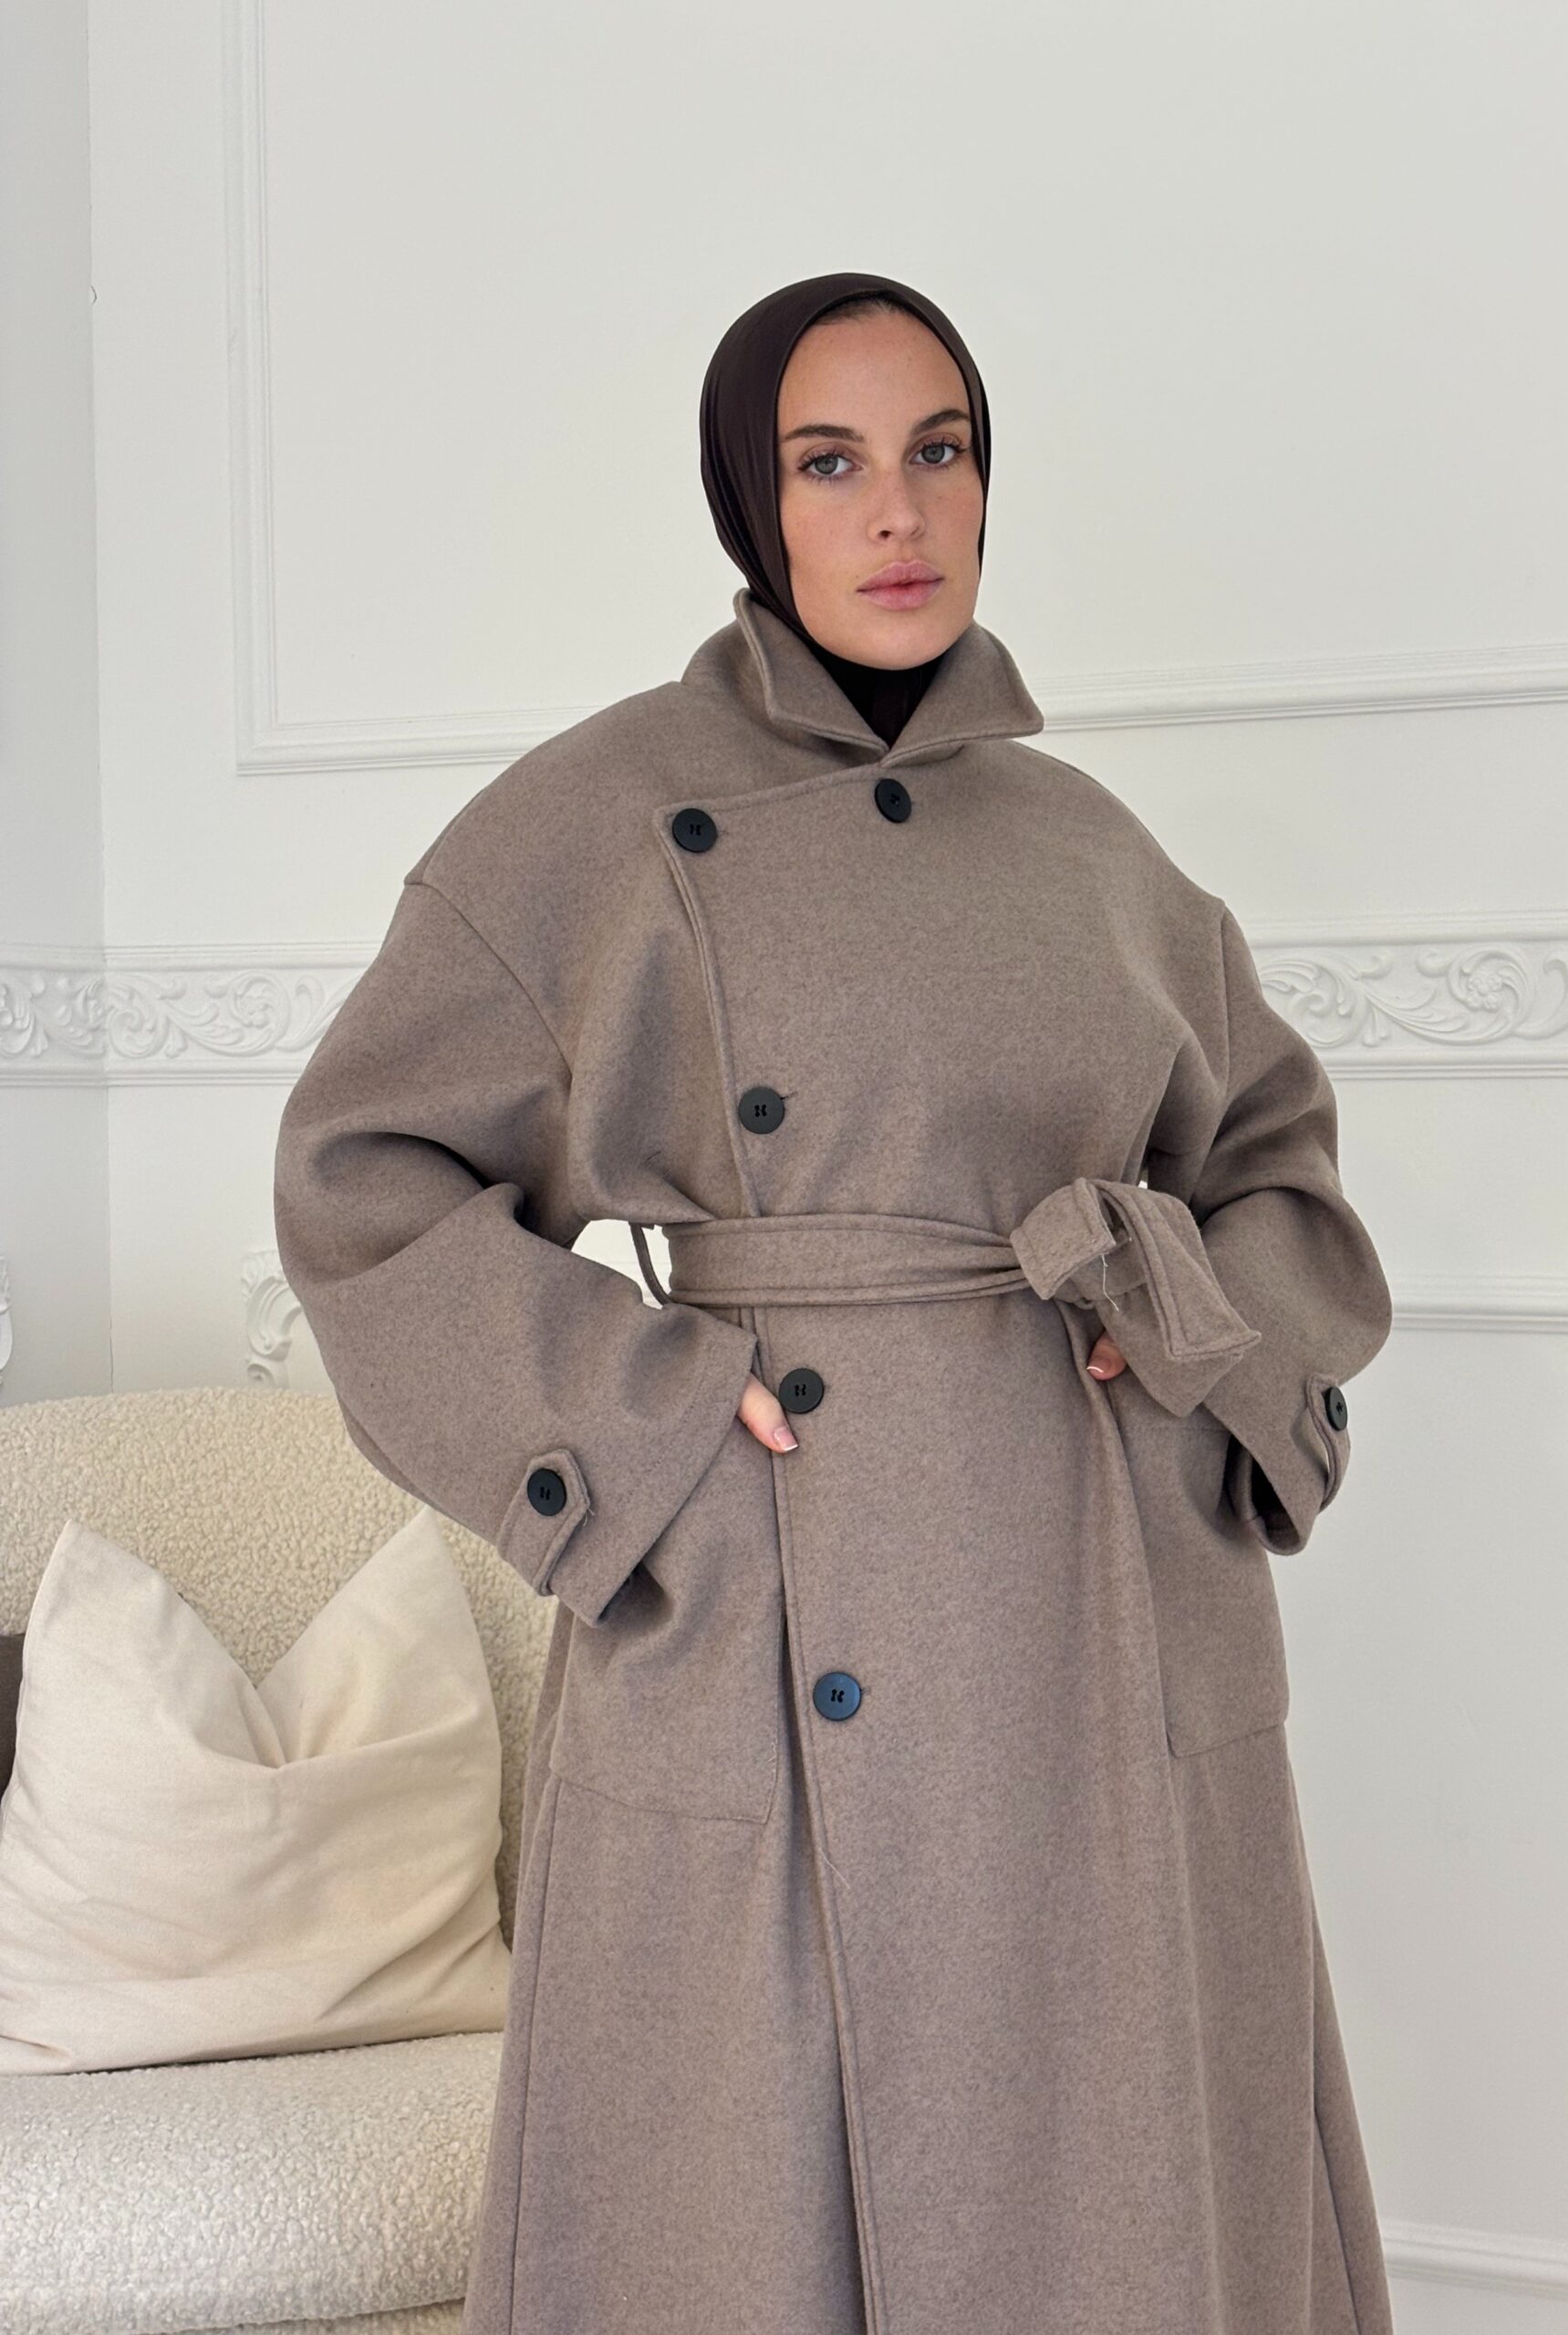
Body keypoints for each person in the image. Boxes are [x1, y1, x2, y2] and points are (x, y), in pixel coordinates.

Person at [273, 269, 1397, 2335]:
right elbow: (363, 1177)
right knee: (749, 2197)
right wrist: (645, 1428)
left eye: (939, 451)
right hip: (771, 1584)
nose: (899, 511)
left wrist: (1189, 1327)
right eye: (829, 461)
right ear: (748, 499)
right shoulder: (600, 819)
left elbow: (1280, 1173)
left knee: (1125, 2181)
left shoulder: (1095, 850)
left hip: (1108, 1604)